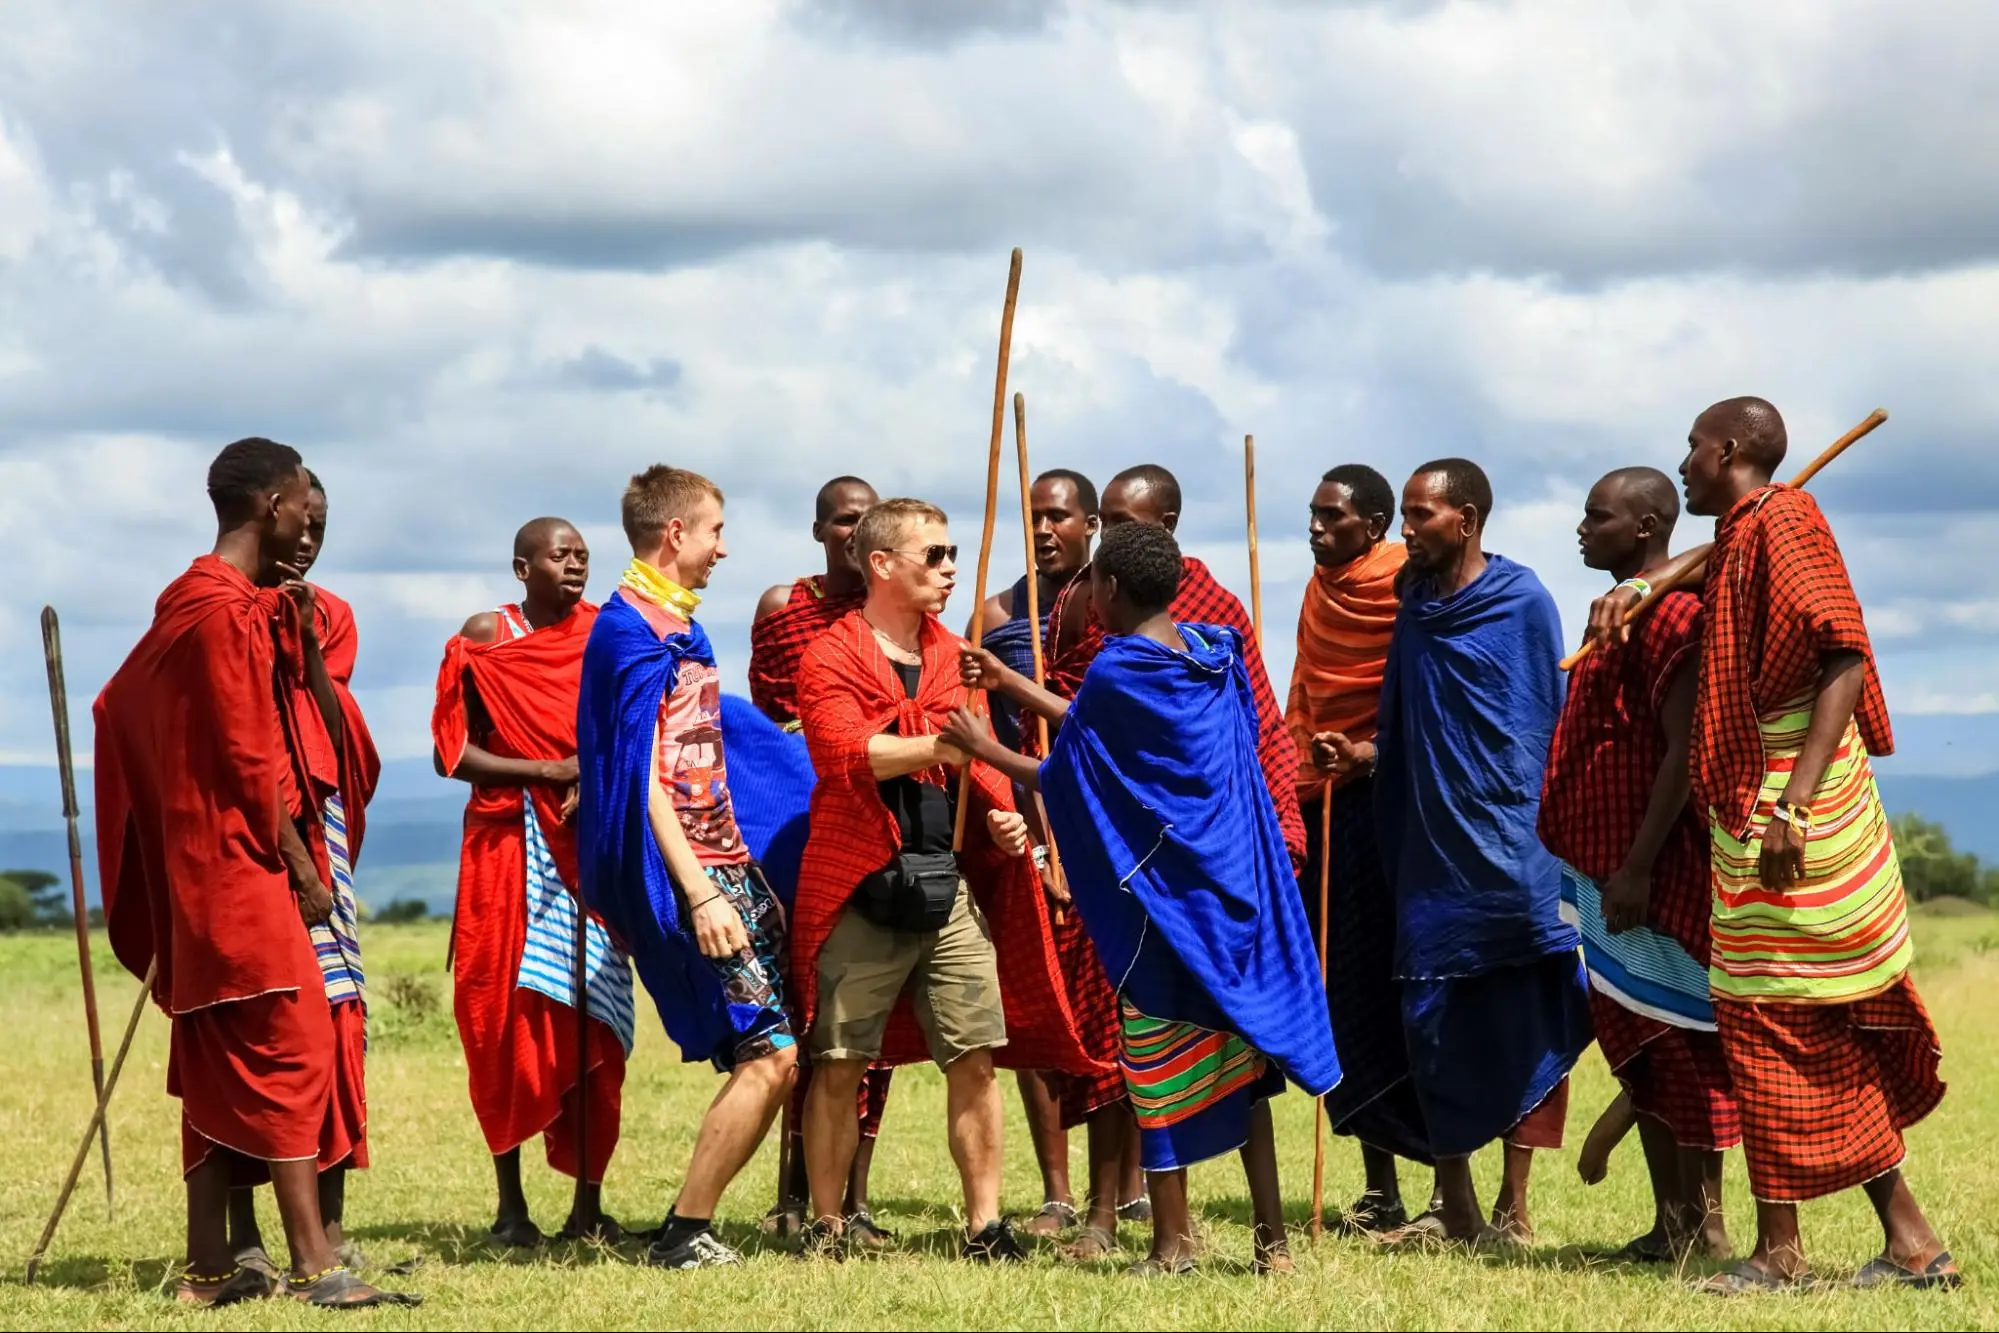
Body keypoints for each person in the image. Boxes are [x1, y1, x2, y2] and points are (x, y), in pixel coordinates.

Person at [1590, 398, 1956, 1293]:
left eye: (1690, 448)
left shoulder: (1784, 522)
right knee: (1779, 1019)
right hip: (1758, 799)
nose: (1681, 464)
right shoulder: (1754, 525)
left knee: (1769, 1017)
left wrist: (1792, 806)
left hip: (1795, 804)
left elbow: (1843, 656)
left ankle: (1786, 1251)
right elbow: (1716, 556)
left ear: (1727, 450)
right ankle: (1900, 1242)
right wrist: (1645, 584)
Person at [947, 521, 1340, 1276]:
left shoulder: (1116, 668)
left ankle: (1171, 1243)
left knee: (1156, 1067)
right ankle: (1273, 1243)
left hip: (1168, 907)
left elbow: (1069, 768)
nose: (1084, 594)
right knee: (1245, 1071)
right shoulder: (1208, 654)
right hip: (1232, 896)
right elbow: (1104, 730)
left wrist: (982, 746)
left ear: (1112, 591)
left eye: (1091, 583)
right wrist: (1012, 684)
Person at [94, 437, 412, 1307]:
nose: (312, 521)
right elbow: (247, 755)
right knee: (297, 1044)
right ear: (273, 502)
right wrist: (305, 867)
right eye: (307, 504)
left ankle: (208, 1273)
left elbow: (118, 703)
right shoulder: (222, 609)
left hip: (207, 861)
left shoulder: (197, 599)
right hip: (238, 864)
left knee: (213, 1053)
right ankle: (315, 1264)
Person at [791, 498, 1099, 1262]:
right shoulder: (829, 653)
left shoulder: (952, 655)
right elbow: (842, 753)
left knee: (975, 1054)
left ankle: (984, 1225)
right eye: (932, 554)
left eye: (952, 552)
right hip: (860, 878)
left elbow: (985, 753)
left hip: (943, 880)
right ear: (883, 564)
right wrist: (942, 741)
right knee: (838, 1059)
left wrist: (1005, 820)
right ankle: (828, 1225)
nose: (949, 567)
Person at [1035, 462, 1304, 1255]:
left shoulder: (1199, 627)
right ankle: (1120, 1215)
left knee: (1166, 1051)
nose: (1107, 532)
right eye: (1106, 517)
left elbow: (1251, 735)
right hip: (1169, 862)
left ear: (1169, 528)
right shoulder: (1157, 633)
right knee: (1163, 1049)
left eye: (1127, 520)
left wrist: (1278, 829)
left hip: (1169, 872)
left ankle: (1177, 1237)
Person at [576, 466, 800, 1269]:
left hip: (725, 864)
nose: (721, 548)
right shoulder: (626, 634)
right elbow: (637, 779)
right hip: (690, 877)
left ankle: (687, 1223)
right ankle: (683, 1230)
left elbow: (697, 751)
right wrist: (699, 890)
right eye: (713, 531)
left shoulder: (680, 627)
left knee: (774, 1052)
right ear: (675, 533)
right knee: (768, 1053)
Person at [1371, 458, 1592, 1245]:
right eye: (1402, 514)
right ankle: (1454, 1200)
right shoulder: (1415, 611)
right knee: (1433, 1021)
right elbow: (1405, 725)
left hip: (1515, 844)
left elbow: (1540, 724)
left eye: (1419, 515)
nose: (1406, 530)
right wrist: (1365, 759)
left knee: (1526, 1012)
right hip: (1433, 851)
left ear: (1463, 520)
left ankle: (1514, 1205)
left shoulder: (1521, 601)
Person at [1539, 468, 1737, 1262]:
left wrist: (1639, 866)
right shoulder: (1615, 614)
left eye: (1598, 517)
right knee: (1640, 1038)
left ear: (1648, 527)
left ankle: (1708, 1223)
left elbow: (1685, 749)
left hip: (1645, 872)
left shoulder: (1669, 618)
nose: (1581, 529)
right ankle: (1672, 1221)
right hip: (1603, 866)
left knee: (1682, 1039)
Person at [433, 518, 634, 1248]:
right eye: (560, 554)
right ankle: (510, 1207)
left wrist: (597, 777)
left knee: (596, 1018)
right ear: (523, 567)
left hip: (588, 848)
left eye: (583, 554)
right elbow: (451, 752)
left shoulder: (606, 632)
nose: (576, 564)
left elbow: (626, 729)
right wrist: (550, 771)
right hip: (504, 847)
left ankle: (588, 1205)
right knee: (499, 1018)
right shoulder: (488, 633)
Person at [226, 469, 383, 1279]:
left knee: (337, 1015)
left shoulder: (331, 614)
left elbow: (337, 733)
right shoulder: (222, 610)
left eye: (324, 524)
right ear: (273, 515)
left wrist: (310, 647)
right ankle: (241, 1236)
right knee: (255, 1027)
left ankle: (326, 1219)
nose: (311, 538)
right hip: (243, 841)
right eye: (303, 520)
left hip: (316, 830)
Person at [747, 475, 895, 1241]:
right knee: (807, 1018)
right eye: (842, 521)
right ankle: (792, 1196)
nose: (854, 533)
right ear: (818, 531)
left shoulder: (894, 611)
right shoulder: (784, 611)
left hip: (881, 827)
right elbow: (765, 735)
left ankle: (855, 1197)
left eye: (867, 521)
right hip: (799, 830)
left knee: (869, 1028)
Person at [1286, 463, 1431, 1234]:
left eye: (1331, 518)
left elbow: (1422, 692)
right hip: (1322, 797)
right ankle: (1380, 1189)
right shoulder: (1320, 589)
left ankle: (1451, 1185)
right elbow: (1306, 691)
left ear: (1372, 526)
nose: (1315, 529)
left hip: (1392, 799)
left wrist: (1368, 751)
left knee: (1409, 985)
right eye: (1311, 514)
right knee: (1342, 992)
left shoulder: (1407, 583)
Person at [963, 467, 1102, 1238]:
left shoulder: (1112, 609)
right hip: (1021, 826)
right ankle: (1057, 1191)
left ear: (1088, 525)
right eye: (1033, 517)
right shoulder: (993, 610)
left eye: (1059, 516)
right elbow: (975, 719)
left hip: (1103, 830)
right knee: (1035, 1006)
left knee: (1115, 1010)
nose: (1045, 529)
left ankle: (1133, 1187)